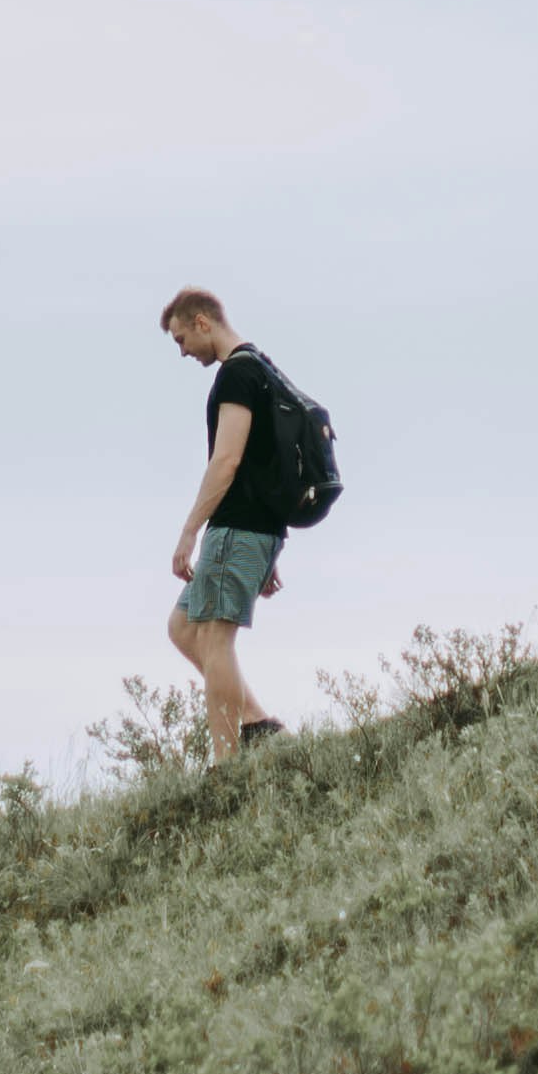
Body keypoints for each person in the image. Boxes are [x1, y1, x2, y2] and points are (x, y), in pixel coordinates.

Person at [161, 287, 308, 757]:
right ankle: (259, 723)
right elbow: (266, 463)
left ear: (203, 321)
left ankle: (227, 766)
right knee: (183, 627)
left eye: (182, 339)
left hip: (238, 525)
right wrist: (269, 544)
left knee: (214, 635)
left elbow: (226, 461)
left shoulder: (237, 375)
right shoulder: (262, 367)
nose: (183, 352)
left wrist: (190, 531)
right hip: (255, 527)